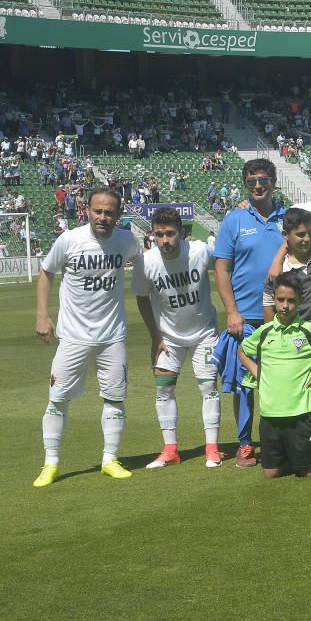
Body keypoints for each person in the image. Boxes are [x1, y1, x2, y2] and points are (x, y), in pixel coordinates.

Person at [33, 187, 142, 487]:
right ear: (87, 210)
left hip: (112, 335)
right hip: (72, 336)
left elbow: (145, 263)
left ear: (118, 214)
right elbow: (46, 272)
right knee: (57, 399)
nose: (103, 217)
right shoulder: (69, 240)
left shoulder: (127, 241)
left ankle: (110, 459)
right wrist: (42, 315)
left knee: (115, 398)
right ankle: (50, 462)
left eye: (109, 212)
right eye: (98, 211)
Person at [134, 207, 222, 469]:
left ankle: (212, 449)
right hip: (167, 338)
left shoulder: (200, 251)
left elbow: (224, 271)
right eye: (159, 234)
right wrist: (155, 336)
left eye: (170, 234)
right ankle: (170, 450)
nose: (165, 240)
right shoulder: (145, 262)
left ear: (181, 234)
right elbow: (142, 299)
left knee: (208, 389)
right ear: (152, 234)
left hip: (204, 333)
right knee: (163, 390)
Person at [214, 158, 287, 467]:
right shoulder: (234, 220)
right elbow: (221, 268)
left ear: (273, 181)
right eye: (252, 182)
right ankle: (245, 443)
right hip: (246, 316)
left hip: (285, 314)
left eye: (263, 180)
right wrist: (231, 311)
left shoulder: (289, 216)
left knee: (286, 378)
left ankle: (285, 439)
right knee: (244, 384)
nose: (258, 186)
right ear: (245, 184)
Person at [237, 272, 311, 479]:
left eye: (291, 301)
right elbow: (242, 351)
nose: (285, 306)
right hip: (270, 413)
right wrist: (257, 373)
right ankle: (292, 458)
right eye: (280, 300)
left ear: (300, 301)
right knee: (271, 474)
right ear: (274, 300)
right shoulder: (264, 332)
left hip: (302, 412)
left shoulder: (309, 331)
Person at [263, 208, 311, 332]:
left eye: (310, 233)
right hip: (298, 343)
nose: (307, 239)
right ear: (285, 234)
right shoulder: (279, 271)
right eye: (301, 235)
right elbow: (268, 304)